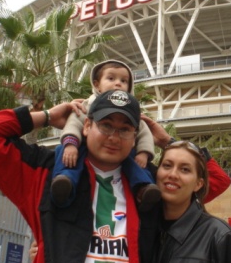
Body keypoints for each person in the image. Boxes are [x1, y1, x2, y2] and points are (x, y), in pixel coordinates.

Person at [0, 89, 144, 263]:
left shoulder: (147, 186)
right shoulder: (45, 172)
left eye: (125, 129)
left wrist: (168, 143)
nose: (114, 137)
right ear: (86, 125)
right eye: (106, 125)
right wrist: (47, 116)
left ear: (135, 136)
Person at [52, 60, 160, 211]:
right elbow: (74, 123)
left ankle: (144, 189)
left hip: (126, 157)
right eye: (111, 78)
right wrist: (70, 143)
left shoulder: (132, 111)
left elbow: (144, 132)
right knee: (63, 153)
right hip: (82, 147)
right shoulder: (87, 105)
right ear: (96, 84)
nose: (118, 84)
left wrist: (144, 152)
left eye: (124, 81)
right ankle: (64, 182)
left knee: (136, 164)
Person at [139, 140, 231, 263]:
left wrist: (167, 140)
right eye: (167, 165)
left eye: (185, 169)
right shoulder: (140, 228)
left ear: (198, 184)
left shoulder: (220, 236)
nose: (173, 175)